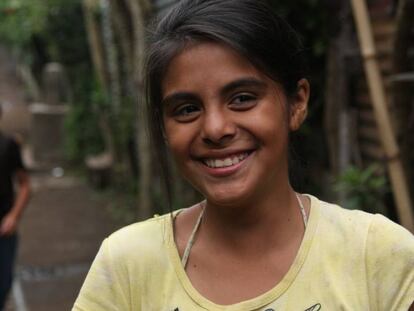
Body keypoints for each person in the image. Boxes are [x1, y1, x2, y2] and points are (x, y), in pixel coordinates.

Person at [73, 0, 414, 310]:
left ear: (297, 103)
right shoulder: (126, 266)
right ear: (164, 127)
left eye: (242, 98)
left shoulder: (378, 255)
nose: (215, 128)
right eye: (187, 109)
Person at [0, 103, 30, 310]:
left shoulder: (9, 145)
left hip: (4, 230)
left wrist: (13, 216)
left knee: (3, 282)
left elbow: (25, 185)